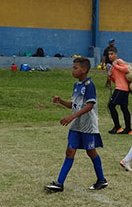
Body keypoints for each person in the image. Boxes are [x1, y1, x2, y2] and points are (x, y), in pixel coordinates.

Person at [44, 57, 108, 192]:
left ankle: (101, 180)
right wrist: (61, 101)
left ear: (84, 70)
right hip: (76, 125)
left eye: (75, 68)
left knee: (91, 151)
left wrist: (71, 117)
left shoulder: (89, 85)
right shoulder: (76, 85)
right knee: (70, 151)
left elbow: (89, 105)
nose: (72, 70)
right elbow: (74, 105)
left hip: (87, 125)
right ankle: (59, 183)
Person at [106, 48, 132, 135]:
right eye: (109, 54)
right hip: (122, 88)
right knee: (124, 108)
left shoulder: (118, 61)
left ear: (116, 54)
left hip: (121, 88)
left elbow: (127, 69)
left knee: (111, 105)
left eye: (111, 54)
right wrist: (110, 76)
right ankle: (128, 129)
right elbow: (116, 79)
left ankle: (118, 127)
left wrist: (116, 66)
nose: (110, 56)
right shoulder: (113, 65)